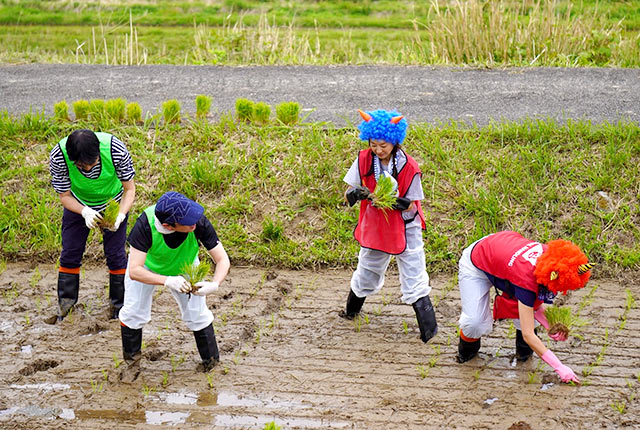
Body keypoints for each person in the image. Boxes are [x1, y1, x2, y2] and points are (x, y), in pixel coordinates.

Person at [340, 109, 437, 344]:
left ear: (394, 141)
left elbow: (412, 206)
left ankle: (429, 332)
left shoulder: (409, 167)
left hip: (405, 226)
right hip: (375, 224)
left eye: (383, 145)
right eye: (374, 144)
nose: (378, 149)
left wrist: (395, 202)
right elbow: (346, 193)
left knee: (414, 274)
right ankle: (350, 312)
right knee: (367, 270)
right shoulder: (363, 159)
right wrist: (357, 194)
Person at [455, 230, 594, 384]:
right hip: (478, 260)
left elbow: (534, 305)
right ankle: (466, 356)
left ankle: (524, 356)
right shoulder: (527, 280)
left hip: (504, 254)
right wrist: (559, 367)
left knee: (527, 312)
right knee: (475, 323)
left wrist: (550, 326)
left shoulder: (556, 259)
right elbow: (528, 334)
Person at [118, 191, 230, 381]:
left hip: (185, 266)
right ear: (169, 225)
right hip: (147, 268)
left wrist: (215, 284)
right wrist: (167, 280)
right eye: (187, 222)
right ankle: (132, 365)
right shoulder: (145, 225)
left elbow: (222, 259)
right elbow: (134, 271)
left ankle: (212, 364)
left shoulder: (198, 222)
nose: (194, 223)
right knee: (133, 312)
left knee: (198, 314)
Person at [49, 129, 135, 321]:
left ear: (98, 154)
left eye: (92, 163)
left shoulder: (115, 149)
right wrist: (84, 211)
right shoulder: (59, 155)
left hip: (113, 203)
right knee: (70, 252)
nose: (87, 169)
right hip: (78, 203)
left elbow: (129, 189)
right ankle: (66, 308)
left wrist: (120, 214)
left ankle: (119, 309)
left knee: (116, 255)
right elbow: (64, 196)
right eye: (81, 166)